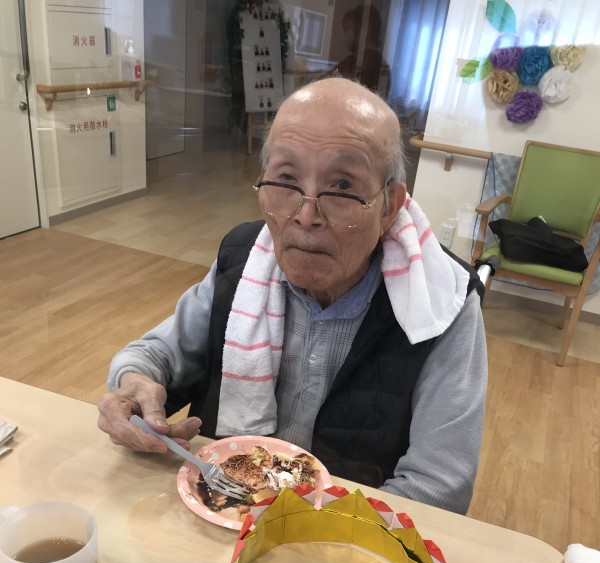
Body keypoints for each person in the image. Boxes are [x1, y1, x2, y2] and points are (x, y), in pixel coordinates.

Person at [98, 77, 487, 514]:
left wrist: (304, 528)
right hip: (221, 510)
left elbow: (441, 484)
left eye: (343, 186)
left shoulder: (441, 301)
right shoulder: (244, 260)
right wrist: (134, 386)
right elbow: (154, 355)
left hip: (344, 535)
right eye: (286, 179)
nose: (305, 215)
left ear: (389, 206)